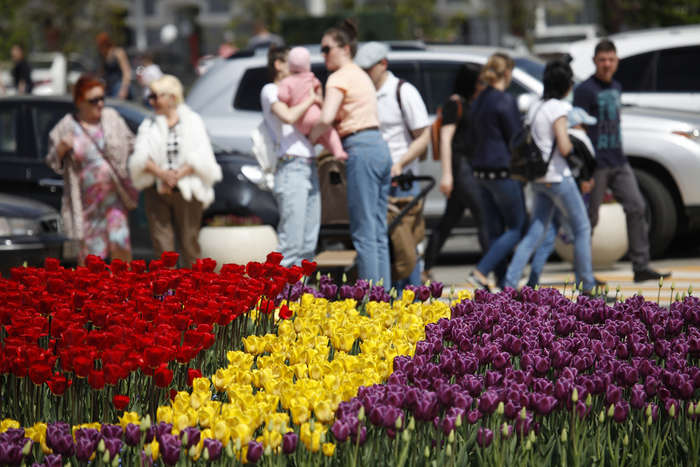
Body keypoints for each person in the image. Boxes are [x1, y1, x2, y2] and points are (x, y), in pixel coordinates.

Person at [574, 39, 670, 283]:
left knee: (637, 207)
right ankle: (583, 274)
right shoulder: (585, 90)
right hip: (596, 164)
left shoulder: (616, 86)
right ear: (595, 61)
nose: (607, 64)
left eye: (611, 60)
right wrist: (584, 167)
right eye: (602, 60)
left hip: (618, 159)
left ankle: (641, 265)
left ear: (616, 61)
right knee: (589, 219)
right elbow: (577, 128)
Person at [309, 20, 393, 288]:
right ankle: (385, 299)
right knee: (378, 232)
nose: (322, 55)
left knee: (364, 234)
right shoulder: (360, 74)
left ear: (344, 48)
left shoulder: (339, 77)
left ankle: (371, 303)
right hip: (379, 147)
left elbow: (327, 117)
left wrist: (310, 137)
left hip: (361, 148)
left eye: (326, 48)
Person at [503, 59, 595, 293]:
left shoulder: (536, 105)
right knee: (582, 228)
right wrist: (580, 158)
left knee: (535, 232)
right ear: (566, 84)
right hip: (557, 177)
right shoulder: (558, 108)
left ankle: (510, 285)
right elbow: (564, 147)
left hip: (538, 179)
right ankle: (587, 288)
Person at [354, 41, 431, 287]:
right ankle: (388, 303)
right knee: (382, 245)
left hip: (402, 183)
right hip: (374, 181)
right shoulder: (362, 94)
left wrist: (400, 164)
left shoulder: (403, 91)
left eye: (369, 69)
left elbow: (424, 137)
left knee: (406, 246)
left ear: (383, 64)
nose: (365, 75)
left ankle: (413, 302)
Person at [128, 75, 222, 267]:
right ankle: (168, 293)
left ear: (171, 97)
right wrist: (162, 174)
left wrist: (179, 174)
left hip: (187, 191)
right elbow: (140, 156)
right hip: (157, 190)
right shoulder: (149, 124)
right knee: (162, 248)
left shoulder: (193, 121)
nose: (151, 101)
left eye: (155, 96)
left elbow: (202, 154)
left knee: (190, 244)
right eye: (150, 97)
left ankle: (195, 292)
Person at [46, 74, 134, 265]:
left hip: (114, 200)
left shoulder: (111, 118)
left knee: (121, 249)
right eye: (94, 100)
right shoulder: (68, 125)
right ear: (79, 101)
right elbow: (52, 161)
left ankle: (126, 292)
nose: (100, 104)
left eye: (102, 98)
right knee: (92, 260)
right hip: (87, 206)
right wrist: (62, 147)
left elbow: (132, 144)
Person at [423, 63, 488, 281]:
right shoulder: (455, 103)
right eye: (479, 82)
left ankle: (425, 267)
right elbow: (445, 138)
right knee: (484, 215)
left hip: (468, 166)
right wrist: (447, 174)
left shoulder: (471, 103)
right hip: (460, 168)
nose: (482, 86)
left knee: (449, 220)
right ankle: (489, 269)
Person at [466, 53, 525, 290]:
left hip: (480, 172)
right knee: (518, 227)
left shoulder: (479, 100)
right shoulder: (505, 100)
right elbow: (516, 138)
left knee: (495, 230)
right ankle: (481, 271)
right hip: (502, 171)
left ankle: (502, 283)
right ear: (507, 72)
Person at [261, 45, 322, 268]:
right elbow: (287, 117)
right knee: (291, 243)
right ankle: (273, 298)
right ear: (278, 64)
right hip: (290, 166)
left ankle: (299, 299)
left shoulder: (302, 92)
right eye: (291, 62)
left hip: (309, 165)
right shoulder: (271, 90)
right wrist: (310, 100)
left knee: (308, 244)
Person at [277, 46, 347, 160]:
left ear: (289, 65)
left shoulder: (286, 82)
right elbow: (319, 94)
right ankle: (337, 152)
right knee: (328, 132)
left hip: (299, 123)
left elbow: (282, 96)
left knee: (319, 137)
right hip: (314, 116)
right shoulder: (311, 78)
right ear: (308, 65)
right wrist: (318, 100)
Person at [96, 32, 132, 99]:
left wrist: (124, 89)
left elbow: (126, 72)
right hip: (109, 86)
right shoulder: (104, 56)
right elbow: (101, 73)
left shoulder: (118, 52)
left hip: (119, 85)